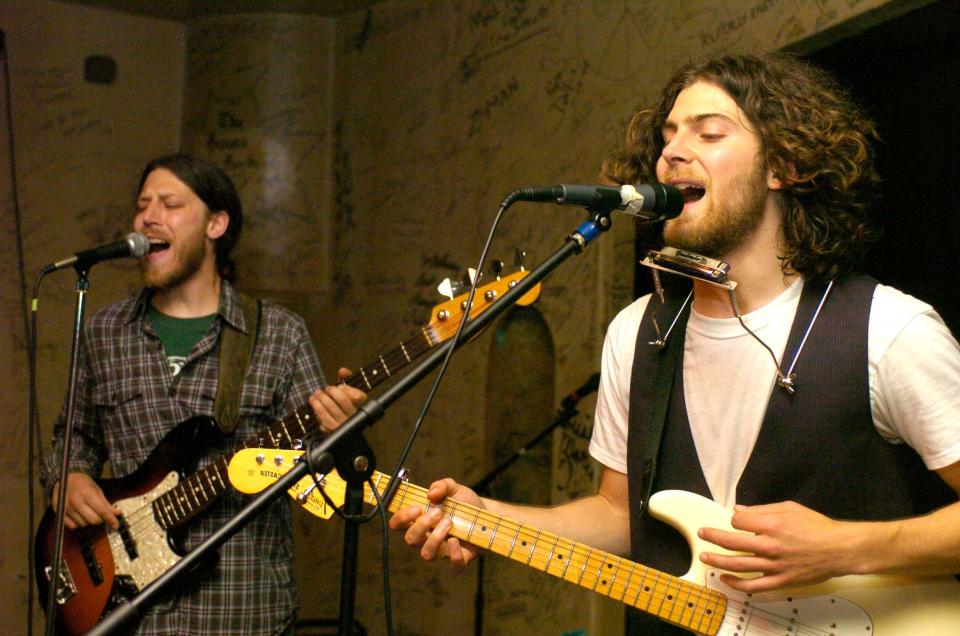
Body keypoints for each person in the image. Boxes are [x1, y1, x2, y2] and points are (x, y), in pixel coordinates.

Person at [388, 53, 960, 634]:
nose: (672, 152)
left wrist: (848, 547)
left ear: (784, 165)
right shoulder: (637, 331)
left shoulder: (887, 328)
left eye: (709, 132)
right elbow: (620, 512)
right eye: (668, 136)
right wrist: (490, 519)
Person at [39, 153, 366, 635]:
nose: (149, 216)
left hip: (241, 613)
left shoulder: (278, 334)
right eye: (142, 204)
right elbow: (76, 437)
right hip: (127, 616)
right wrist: (65, 479)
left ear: (216, 224)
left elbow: (319, 486)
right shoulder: (105, 332)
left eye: (170, 203)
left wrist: (339, 435)